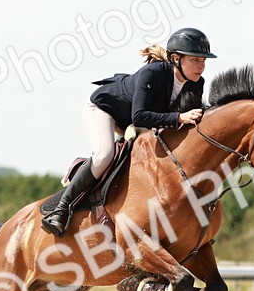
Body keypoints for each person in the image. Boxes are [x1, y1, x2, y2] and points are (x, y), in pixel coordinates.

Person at [40, 27, 216, 236]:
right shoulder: (154, 73)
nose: (201, 66)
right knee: (105, 155)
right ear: (176, 59)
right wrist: (178, 118)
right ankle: (61, 209)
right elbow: (140, 117)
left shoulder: (196, 83)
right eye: (195, 60)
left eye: (203, 61)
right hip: (105, 110)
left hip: (135, 122)